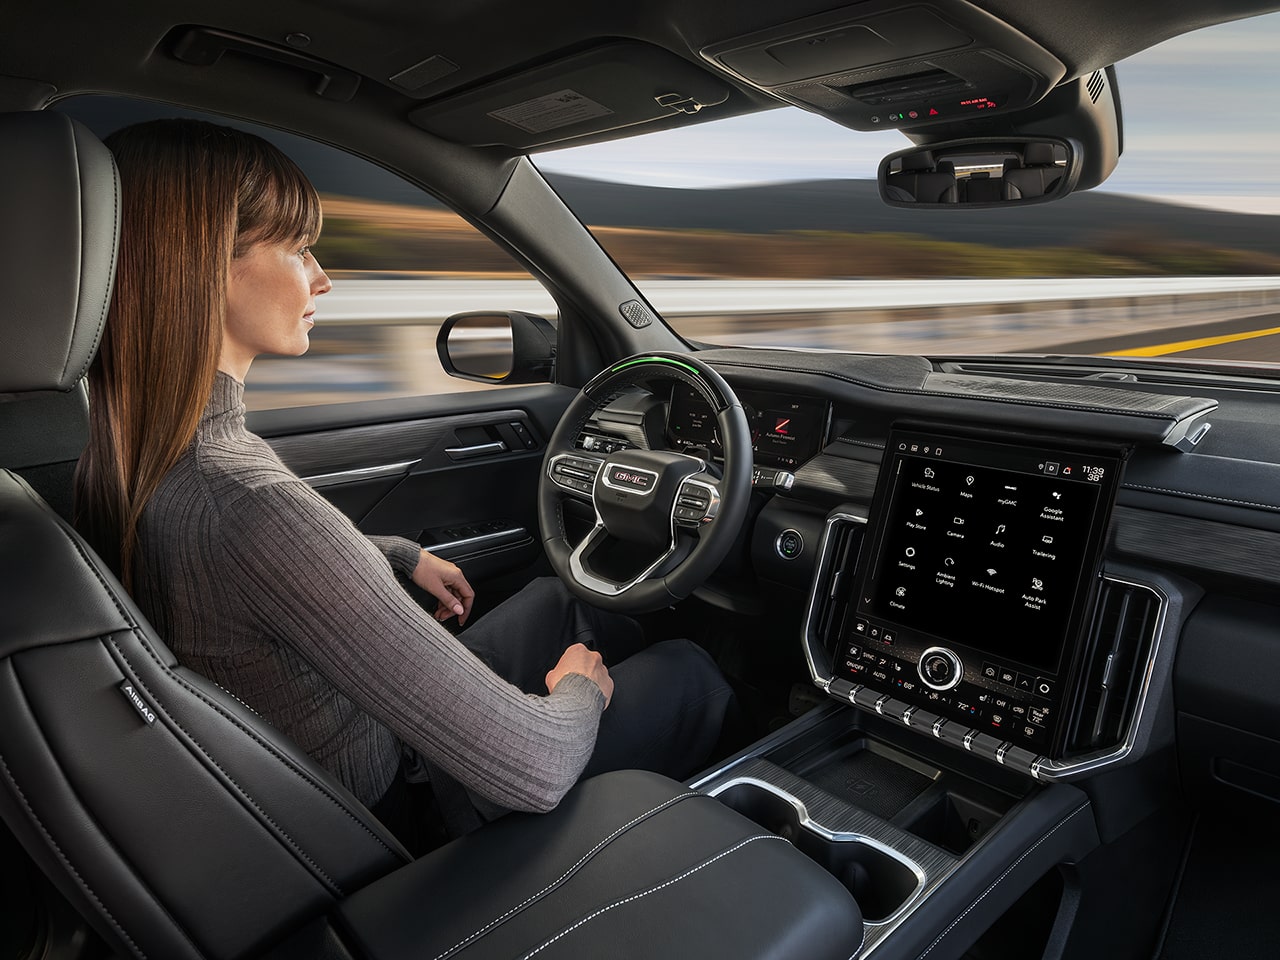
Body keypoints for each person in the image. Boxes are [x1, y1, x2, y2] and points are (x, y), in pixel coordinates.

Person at [74, 118, 733, 852]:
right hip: (402, 815)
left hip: (329, 760)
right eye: (296, 248)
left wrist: (390, 553)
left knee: (556, 600)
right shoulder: (246, 502)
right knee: (688, 670)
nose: (321, 276)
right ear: (201, 268)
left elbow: (247, 579)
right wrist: (580, 693)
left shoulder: (131, 459)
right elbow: (536, 767)